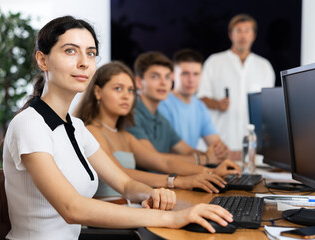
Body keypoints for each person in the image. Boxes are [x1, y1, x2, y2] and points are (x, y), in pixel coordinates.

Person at [2, 16, 234, 239]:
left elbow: (125, 183)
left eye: (90, 53)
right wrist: (172, 218)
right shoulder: (30, 125)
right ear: (43, 60)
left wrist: (152, 194)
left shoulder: (75, 126)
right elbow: (72, 208)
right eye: (70, 50)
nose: (84, 62)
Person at [75, 61, 241, 195]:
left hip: (131, 208)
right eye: (118, 88)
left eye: (131, 90)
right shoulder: (91, 131)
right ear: (97, 92)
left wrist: (210, 172)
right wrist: (177, 181)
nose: (126, 96)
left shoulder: (125, 136)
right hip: (110, 218)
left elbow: (164, 161)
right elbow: (120, 173)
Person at [127, 51, 226, 165]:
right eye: (155, 76)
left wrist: (213, 158)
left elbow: (187, 151)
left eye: (167, 77)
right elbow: (154, 160)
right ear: (139, 82)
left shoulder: (161, 120)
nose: (163, 82)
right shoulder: (131, 114)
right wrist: (205, 160)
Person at [197, 14, 275, 151]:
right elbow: (200, 98)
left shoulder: (264, 67)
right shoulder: (214, 62)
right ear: (231, 35)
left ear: (254, 35)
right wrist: (217, 104)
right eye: (238, 31)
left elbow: (268, 108)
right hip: (218, 145)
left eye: (247, 30)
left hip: (252, 147)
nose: (243, 35)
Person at [158, 49, 241, 160]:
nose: (191, 80)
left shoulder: (200, 107)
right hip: (167, 173)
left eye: (196, 74)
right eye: (185, 74)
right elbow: (172, 149)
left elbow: (217, 145)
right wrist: (207, 157)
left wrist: (233, 153)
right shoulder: (162, 104)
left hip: (191, 169)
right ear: (173, 75)